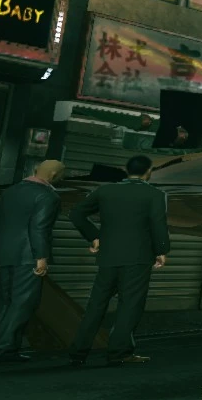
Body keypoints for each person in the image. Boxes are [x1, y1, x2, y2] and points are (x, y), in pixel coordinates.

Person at [68, 155, 170, 367]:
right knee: (129, 305)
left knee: (96, 305)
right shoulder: (155, 195)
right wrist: (161, 250)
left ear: (126, 169)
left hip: (108, 256)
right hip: (138, 257)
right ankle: (119, 352)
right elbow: (158, 224)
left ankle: (78, 353)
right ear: (148, 172)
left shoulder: (105, 191)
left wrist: (94, 236)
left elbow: (76, 213)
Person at [0, 159, 66, 364]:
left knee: (4, 301)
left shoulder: (10, 191)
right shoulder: (48, 196)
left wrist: (1, 248)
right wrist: (41, 257)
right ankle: (4, 349)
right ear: (54, 175)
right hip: (28, 256)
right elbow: (39, 227)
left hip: (4, 254)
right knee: (23, 303)